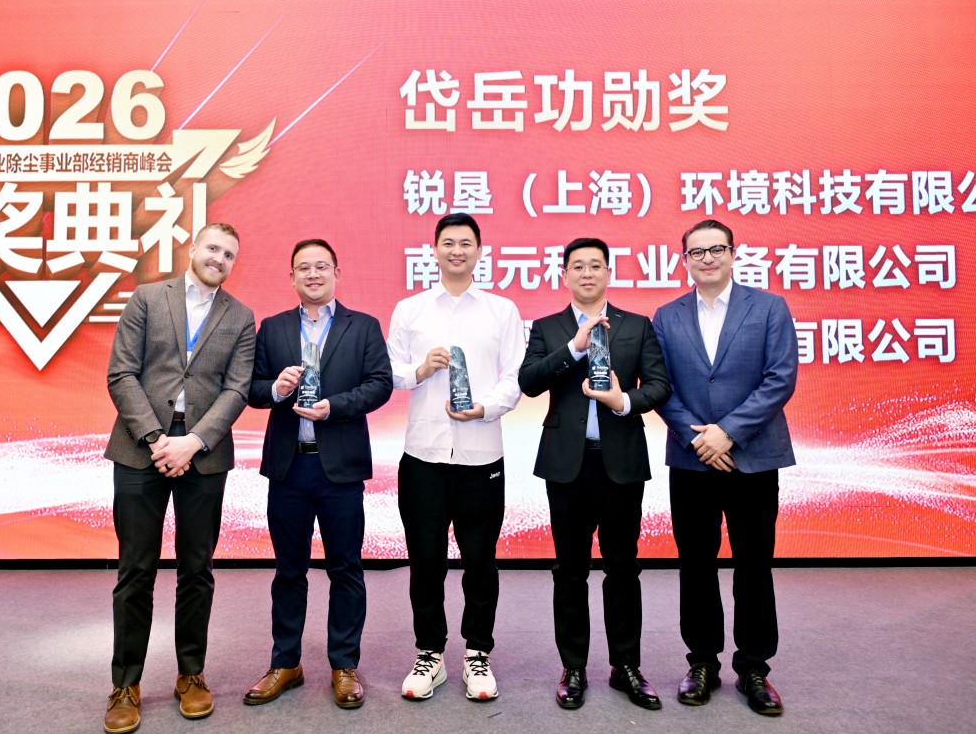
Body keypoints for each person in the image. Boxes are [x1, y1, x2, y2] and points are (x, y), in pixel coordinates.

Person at [102, 222, 256, 734]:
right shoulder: (147, 298)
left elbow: (237, 390)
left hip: (203, 455)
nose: (219, 259)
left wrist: (193, 442)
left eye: (229, 254)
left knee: (197, 570)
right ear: (193, 249)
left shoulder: (240, 316)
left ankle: (191, 675)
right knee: (135, 570)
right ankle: (125, 684)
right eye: (213, 248)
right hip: (139, 449)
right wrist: (155, 439)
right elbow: (121, 373)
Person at [651, 219, 798, 717]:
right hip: (692, 460)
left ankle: (754, 667)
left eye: (717, 249)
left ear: (734, 254)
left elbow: (780, 378)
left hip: (752, 458)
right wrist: (701, 439)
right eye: (697, 252)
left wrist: (728, 432)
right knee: (696, 564)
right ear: (685, 261)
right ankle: (702, 663)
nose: (708, 258)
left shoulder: (769, 307)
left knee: (754, 563)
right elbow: (660, 386)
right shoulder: (667, 316)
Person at [518, 237, 672, 711]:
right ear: (564, 274)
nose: (587, 273)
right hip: (567, 464)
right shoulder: (548, 328)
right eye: (578, 266)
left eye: (595, 266)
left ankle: (626, 666)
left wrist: (624, 401)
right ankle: (573, 667)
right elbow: (529, 382)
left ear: (609, 273)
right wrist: (574, 347)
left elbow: (660, 386)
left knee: (623, 567)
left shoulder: (637, 325)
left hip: (620, 461)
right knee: (570, 570)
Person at [242, 239, 392, 710]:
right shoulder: (272, 328)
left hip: (340, 469)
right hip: (288, 466)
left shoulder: (362, 326)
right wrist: (276, 388)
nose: (312, 274)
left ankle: (344, 665)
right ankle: (285, 662)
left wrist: (335, 407)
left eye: (321, 266)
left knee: (345, 568)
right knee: (289, 570)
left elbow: (380, 385)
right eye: (303, 268)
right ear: (291, 277)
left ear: (336, 273)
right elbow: (251, 389)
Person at [386, 212, 524, 702]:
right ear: (435, 250)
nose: (457, 250)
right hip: (422, 456)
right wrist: (420, 370)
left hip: (481, 455)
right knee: (425, 562)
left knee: (480, 562)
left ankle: (477, 654)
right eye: (448, 242)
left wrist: (484, 409)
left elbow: (516, 376)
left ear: (479, 252)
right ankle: (430, 654)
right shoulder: (411, 309)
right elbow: (389, 370)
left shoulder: (502, 310)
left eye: (466, 243)